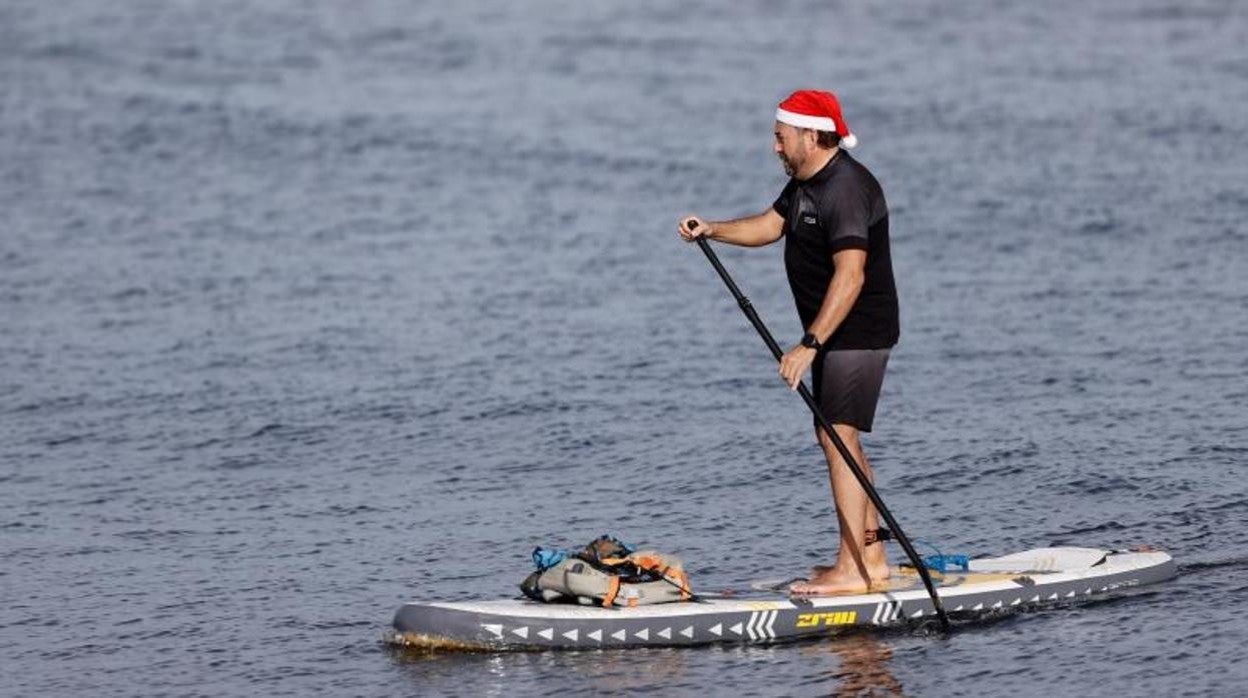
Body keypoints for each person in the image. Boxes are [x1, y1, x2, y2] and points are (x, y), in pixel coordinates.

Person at [678, 89, 899, 595]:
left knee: (838, 437)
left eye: (781, 137)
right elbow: (770, 226)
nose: (775, 146)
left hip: (855, 330)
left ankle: (855, 571)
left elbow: (852, 274)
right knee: (837, 436)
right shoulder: (805, 182)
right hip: (835, 333)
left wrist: (809, 344)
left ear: (810, 135)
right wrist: (713, 229)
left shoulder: (845, 188)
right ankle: (872, 560)